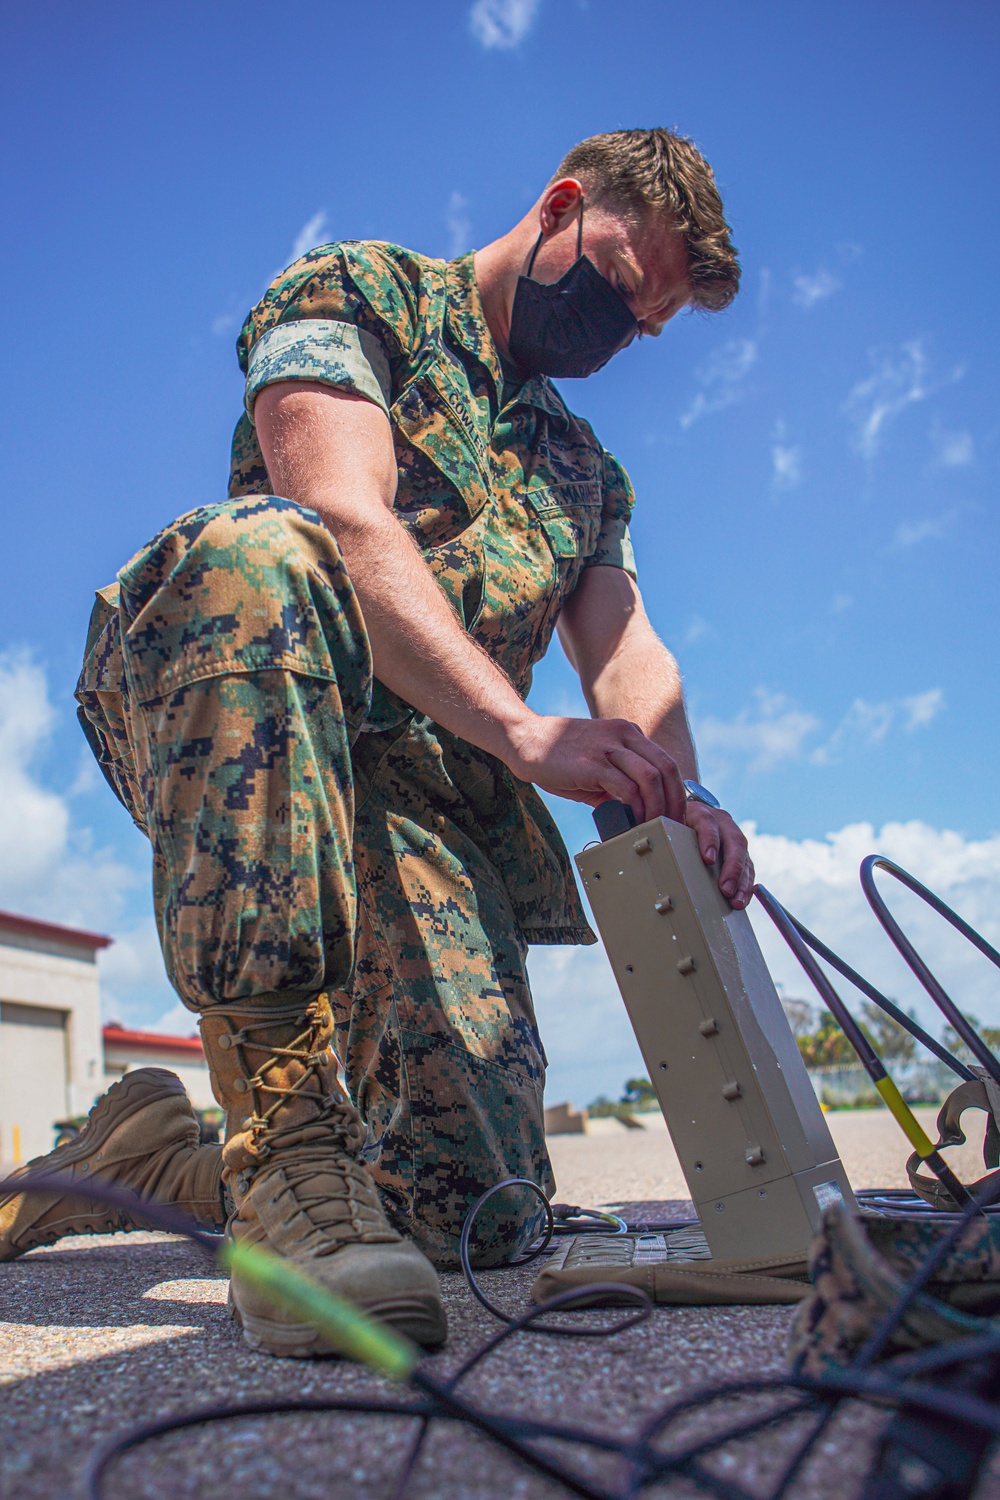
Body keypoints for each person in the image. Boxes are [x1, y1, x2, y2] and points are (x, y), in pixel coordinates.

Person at [0, 128, 753, 1356]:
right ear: (560, 208)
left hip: (424, 789)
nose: (618, 331)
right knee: (257, 550)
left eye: (647, 325)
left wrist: (677, 784)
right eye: (618, 283)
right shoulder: (360, 294)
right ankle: (288, 1135)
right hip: (253, 719)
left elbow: (625, 649)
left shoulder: (580, 468)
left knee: (470, 1214)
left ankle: (148, 1160)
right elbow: (341, 517)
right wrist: (519, 727)